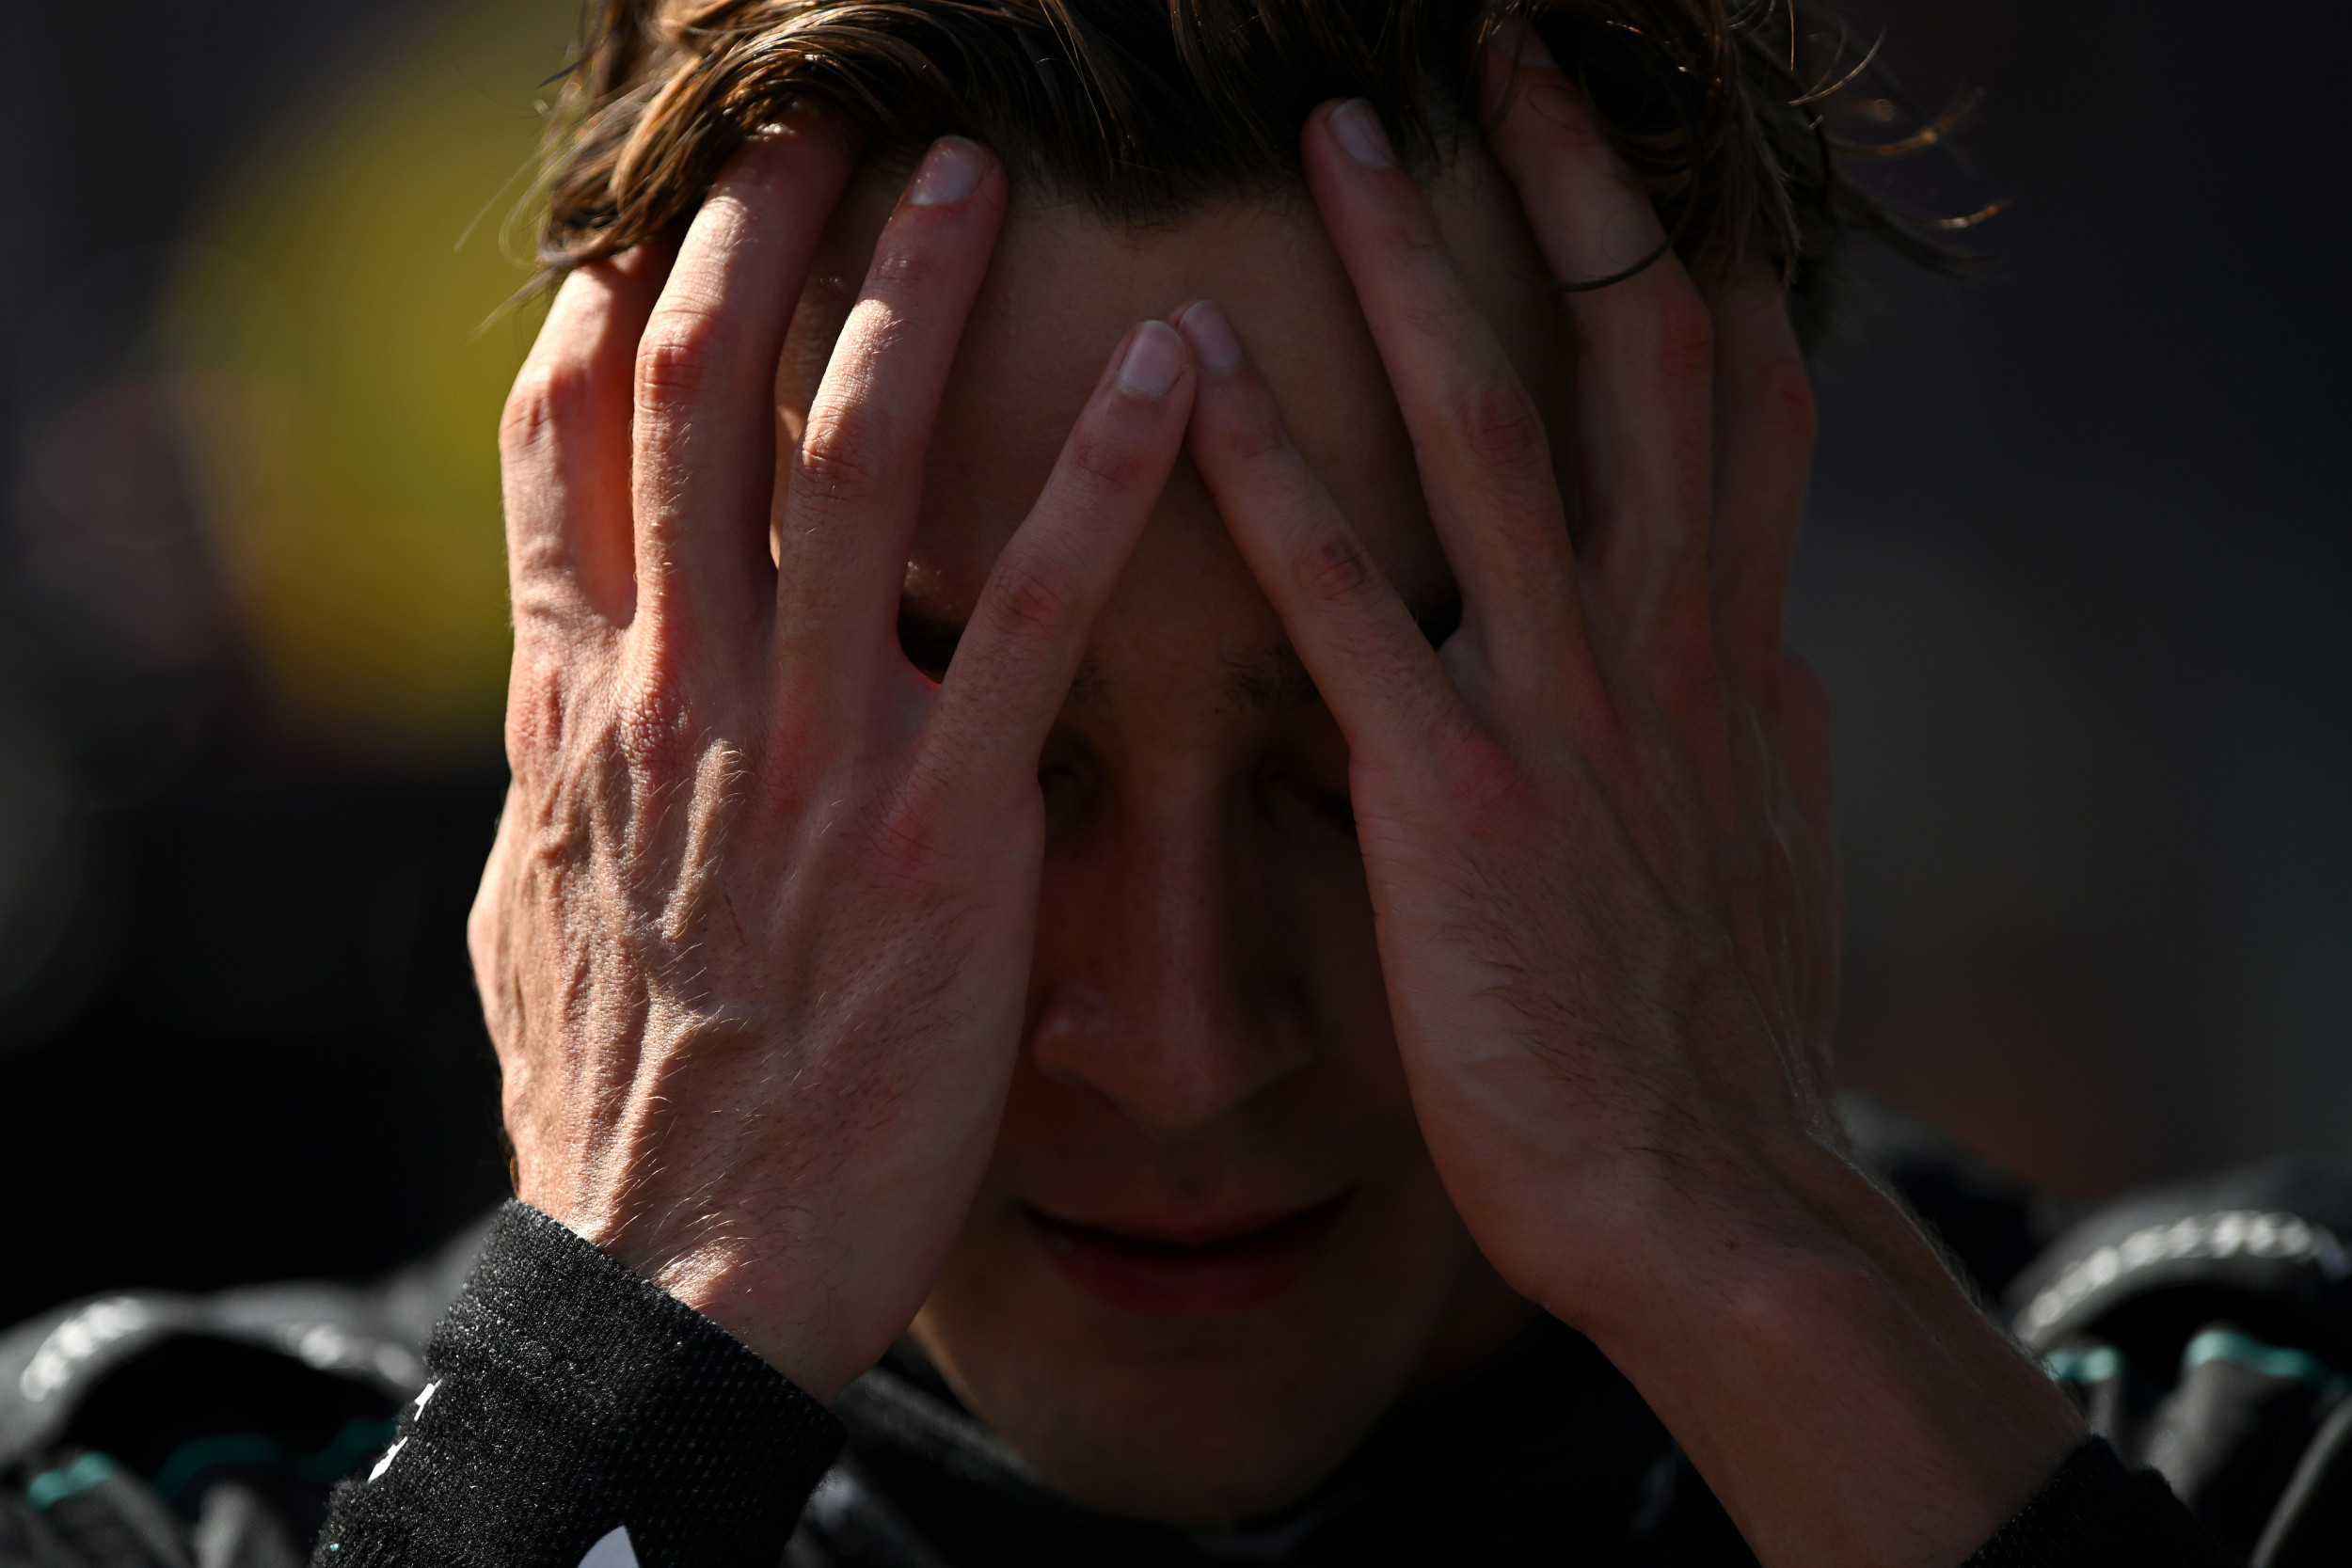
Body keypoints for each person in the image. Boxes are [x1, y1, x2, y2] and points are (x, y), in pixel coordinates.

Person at [3, 0, 2346, 1563]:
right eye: (961, 752)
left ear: (1707, 637)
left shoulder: (2241, 1423)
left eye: (1380, 753)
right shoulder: (151, 1501)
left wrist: (1755, 1270)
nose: (1182, 1041)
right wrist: (622, 1352)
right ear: (633, 695)